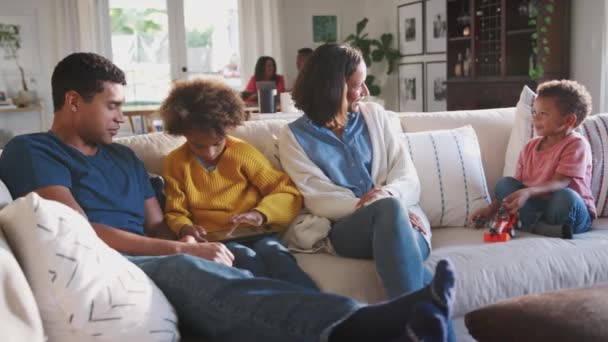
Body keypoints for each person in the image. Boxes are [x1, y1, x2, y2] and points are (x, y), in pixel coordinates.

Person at [0, 52, 456, 342]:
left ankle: (377, 322)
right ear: (74, 101)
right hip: (112, 261)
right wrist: (182, 246)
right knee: (188, 264)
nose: (122, 117)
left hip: (159, 250)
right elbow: (77, 231)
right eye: (112, 105)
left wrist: (190, 238)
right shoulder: (32, 150)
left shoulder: (124, 159)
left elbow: (159, 222)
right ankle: (358, 326)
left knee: (239, 261)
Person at [159, 78, 317, 289]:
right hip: (216, 239)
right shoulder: (175, 163)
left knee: (277, 254)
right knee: (246, 258)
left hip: (254, 231)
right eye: (198, 146)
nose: (210, 153)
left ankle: (315, 306)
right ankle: (273, 310)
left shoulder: (243, 153)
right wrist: (185, 228)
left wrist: (260, 214)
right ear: (183, 134)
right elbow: (175, 211)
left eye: (217, 143)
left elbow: (285, 190)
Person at [470, 80, 595, 239]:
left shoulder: (576, 144)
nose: (535, 118)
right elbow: (516, 188)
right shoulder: (530, 147)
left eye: (543, 114)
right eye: (534, 112)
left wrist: (527, 192)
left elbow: (560, 182)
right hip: (538, 208)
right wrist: (490, 210)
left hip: (568, 210)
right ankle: (543, 227)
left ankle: (532, 225)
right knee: (505, 184)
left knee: (565, 196)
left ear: (569, 120)